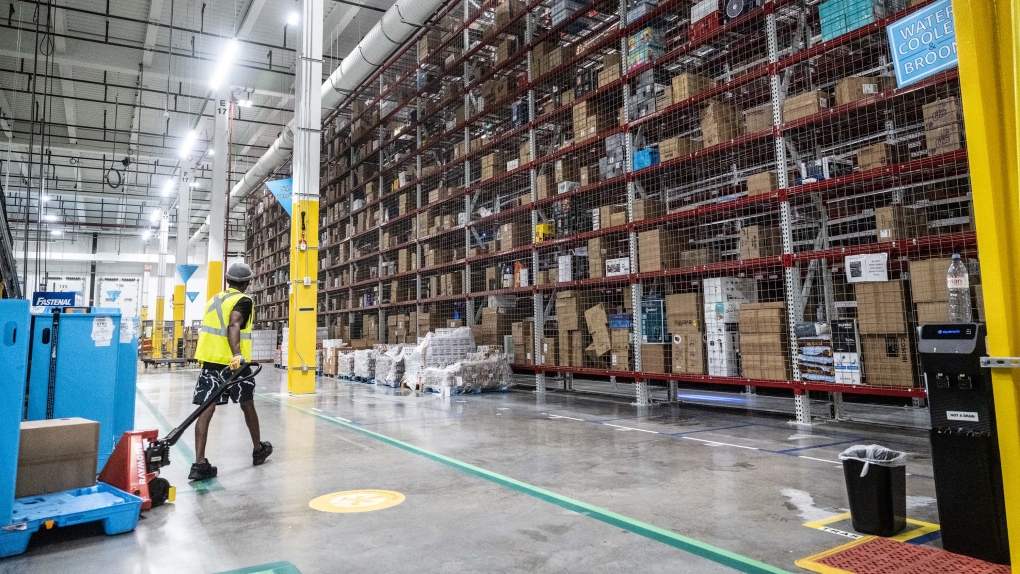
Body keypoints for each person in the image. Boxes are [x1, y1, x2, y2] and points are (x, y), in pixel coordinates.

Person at [189, 262, 272, 481]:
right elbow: (234, 324)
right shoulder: (243, 300)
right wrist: (237, 354)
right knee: (247, 404)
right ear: (246, 283)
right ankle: (257, 449)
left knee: (205, 409)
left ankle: (199, 463)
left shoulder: (214, 300)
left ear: (228, 280)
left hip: (210, 362)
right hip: (234, 365)